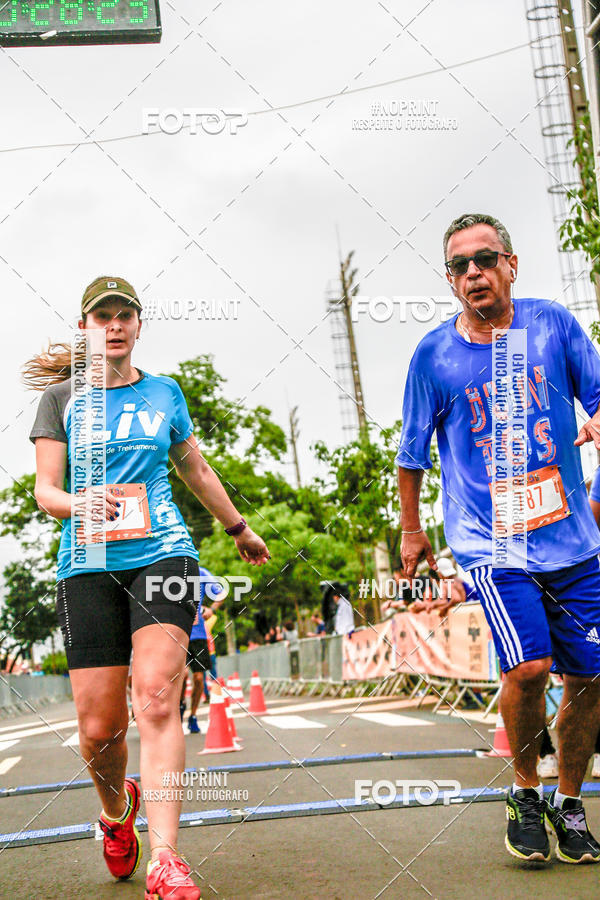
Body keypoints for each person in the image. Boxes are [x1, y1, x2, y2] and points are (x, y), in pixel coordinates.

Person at [27, 277, 270, 899]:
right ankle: (116, 813)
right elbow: (46, 491)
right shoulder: (61, 400)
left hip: (163, 553)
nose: (114, 325)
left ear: (139, 325)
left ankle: (166, 860)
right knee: (97, 728)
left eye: (124, 314)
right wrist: (80, 503)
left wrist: (238, 527)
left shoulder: (164, 393)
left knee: (158, 702)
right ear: (86, 326)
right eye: (101, 315)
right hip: (87, 565)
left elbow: (193, 465)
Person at [397, 214, 600, 866]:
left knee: (591, 680)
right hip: (492, 545)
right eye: (460, 265)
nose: (474, 273)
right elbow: (411, 455)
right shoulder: (435, 356)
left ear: (512, 264)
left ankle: (569, 802)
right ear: (451, 280)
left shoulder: (553, 326)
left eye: (485, 259)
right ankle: (523, 790)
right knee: (530, 666)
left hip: (572, 539)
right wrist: (411, 532)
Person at [180, 567, 225, 734]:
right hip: (178, 635)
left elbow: (221, 593)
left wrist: (212, 609)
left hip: (198, 635)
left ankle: (193, 715)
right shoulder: (170, 570)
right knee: (182, 675)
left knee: (199, 678)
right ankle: (180, 705)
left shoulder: (201, 573)